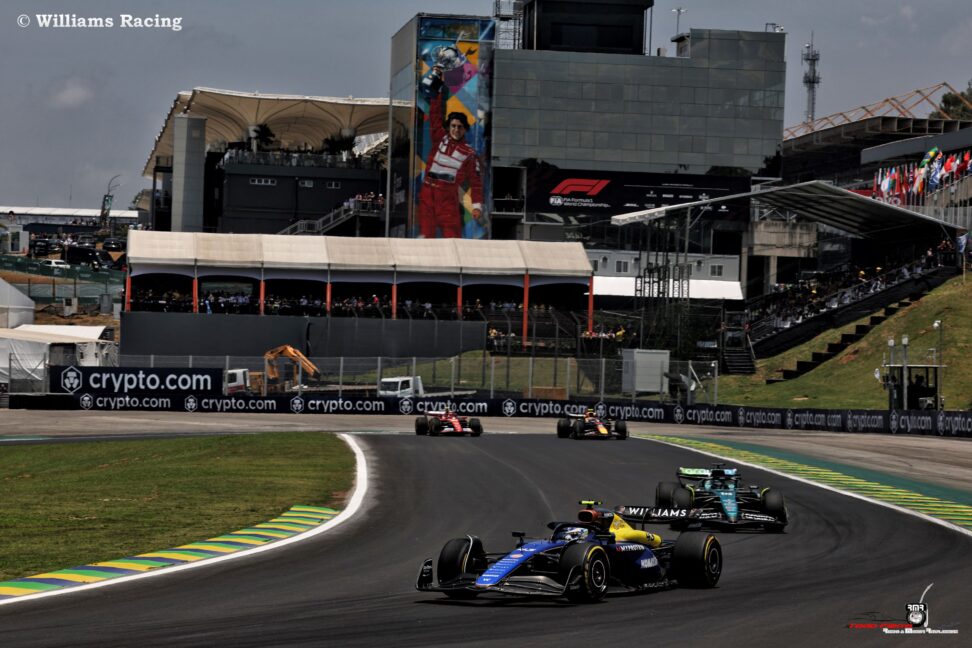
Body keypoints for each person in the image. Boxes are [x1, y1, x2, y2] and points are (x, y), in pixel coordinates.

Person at [417, 65, 483, 238]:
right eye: (453, 126)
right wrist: (437, 86)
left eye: (460, 127)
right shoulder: (440, 137)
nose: (456, 129)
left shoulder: (469, 153)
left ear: (465, 130)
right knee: (426, 236)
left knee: (453, 238)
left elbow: (475, 182)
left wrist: (476, 206)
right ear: (449, 127)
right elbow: (435, 114)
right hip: (428, 191)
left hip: (448, 195)